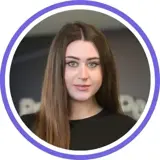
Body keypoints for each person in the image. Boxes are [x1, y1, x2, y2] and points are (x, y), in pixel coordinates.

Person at [21, 21, 136, 151]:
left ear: (105, 70)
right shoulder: (25, 128)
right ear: (57, 68)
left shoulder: (127, 130)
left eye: (92, 64)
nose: (83, 75)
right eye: (72, 63)